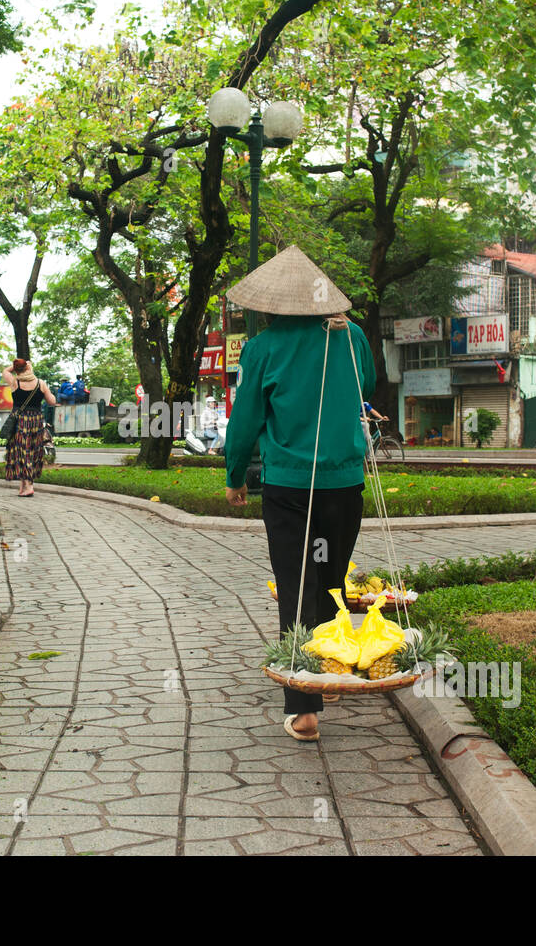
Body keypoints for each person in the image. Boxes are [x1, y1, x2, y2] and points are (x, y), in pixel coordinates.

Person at [224, 247, 376, 742]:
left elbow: (245, 418)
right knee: (333, 581)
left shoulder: (262, 348)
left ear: (269, 305)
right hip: (344, 483)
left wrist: (234, 474)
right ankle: (331, 676)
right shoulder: (349, 336)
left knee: (296, 587)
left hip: (289, 487)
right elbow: (366, 387)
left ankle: (304, 707)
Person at [3, 358, 56, 496]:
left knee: (22, 451)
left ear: (17, 370)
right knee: (34, 451)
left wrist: (16, 367)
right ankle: (24, 485)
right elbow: (52, 402)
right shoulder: (40, 383)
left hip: (21, 421)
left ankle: (28, 486)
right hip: (36, 421)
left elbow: (5, 371)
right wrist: (27, 366)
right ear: (28, 368)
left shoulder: (15, 382)